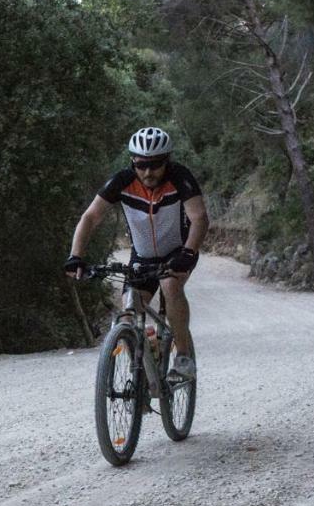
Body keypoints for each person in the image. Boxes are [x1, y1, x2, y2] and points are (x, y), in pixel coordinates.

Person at [64, 126, 209, 380]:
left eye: (155, 165)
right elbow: (90, 217)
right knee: (129, 310)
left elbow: (199, 218)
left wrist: (188, 252)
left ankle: (184, 357)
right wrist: (75, 255)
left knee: (170, 285)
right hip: (142, 256)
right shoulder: (122, 181)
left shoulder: (180, 177)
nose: (148, 172)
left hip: (179, 251)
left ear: (167, 161)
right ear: (133, 161)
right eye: (141, 165)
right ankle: (142, 374)